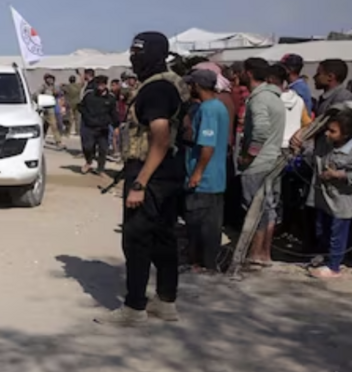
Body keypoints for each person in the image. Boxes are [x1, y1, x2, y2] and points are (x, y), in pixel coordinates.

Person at [102, 31, 189, 326]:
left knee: (137, 240)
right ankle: (166, 302)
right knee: (164, 237)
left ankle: (134, 308)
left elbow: (160, 137)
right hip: (169, 172)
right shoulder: (171, 83)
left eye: (138, 53)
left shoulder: (156, 89)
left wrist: (140, 182)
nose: (133, 58)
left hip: (150, 173)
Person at [238, 58, 286, 268]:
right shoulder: (274, 96)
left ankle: (256, 253)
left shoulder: (259, 99)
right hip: (273, 161)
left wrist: (248, 156)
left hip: (258, 164)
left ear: (248, 73)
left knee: (255, 209)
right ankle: (265, 253)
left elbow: (260, 130)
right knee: (268, 208)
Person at [182, 68, 229, 273]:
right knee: (211, 223)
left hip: (205, 179)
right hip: (216, 177)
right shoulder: (218, 106)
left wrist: (197, 173)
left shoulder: (207, 109)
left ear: (197, 86)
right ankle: (208, 262)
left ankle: (200, 263)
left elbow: (207, 145)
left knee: (200, 223)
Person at [311, 111, 352, 279]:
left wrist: (337, 175)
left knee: (338, 233)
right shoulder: (327, 144)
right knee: (325, 229)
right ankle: (328, 258)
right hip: (327, 199)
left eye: (333, 131)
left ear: (346, 134)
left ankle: (334, 267)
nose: (328, 133)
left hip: (343, 201)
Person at [79, 75, 118, 175]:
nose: (100, 86)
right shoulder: (89, 95)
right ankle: (88, 162)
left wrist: (116, 126)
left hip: (103, 128)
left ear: (105, 84)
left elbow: (113, 113)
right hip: (89, 126)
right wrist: (87, 118)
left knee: (103, 149)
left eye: (102, 84)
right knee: (87, 147)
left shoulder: (111, 98)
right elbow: (81, 107)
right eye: (98, 84)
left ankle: (100, 169)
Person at [38, 74, 63, 149]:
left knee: (52, 125)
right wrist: (42, 99)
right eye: (48, 78)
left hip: (52, 108)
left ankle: (57, 142)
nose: (50, 80)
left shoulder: (55, 87)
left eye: (51, 79)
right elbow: (36, 94)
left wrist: (56, 92)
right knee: (47, 126)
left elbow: (60, 94)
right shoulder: (43, 87)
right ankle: (57, 142)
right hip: (45, 109)